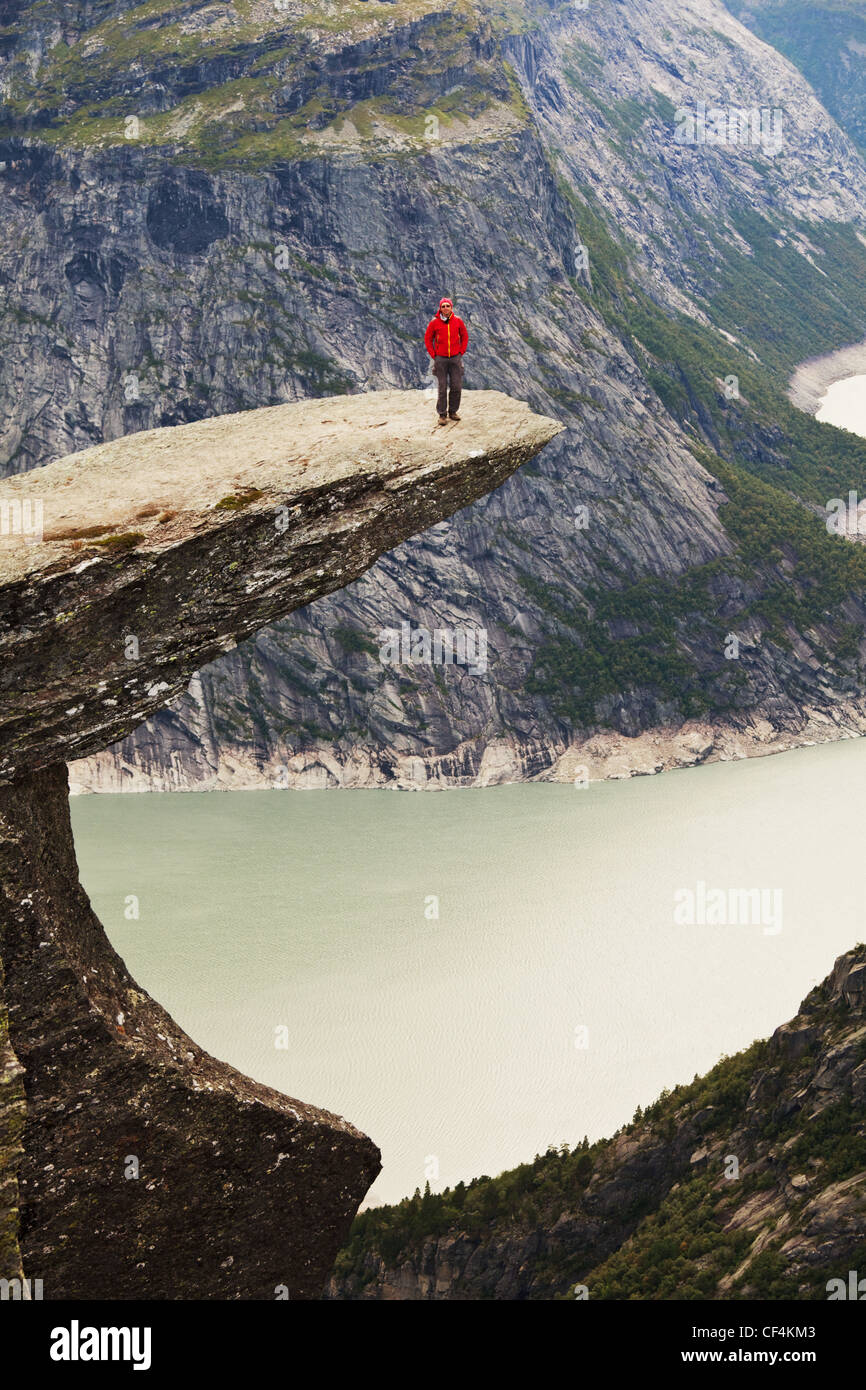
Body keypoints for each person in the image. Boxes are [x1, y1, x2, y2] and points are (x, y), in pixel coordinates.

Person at [424, 297, 468, 424]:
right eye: (443, 306)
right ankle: (442, 415)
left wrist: (461, 352)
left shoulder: (458, 321)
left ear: (451, 307)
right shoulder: (434, 323)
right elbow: (428, 339)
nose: (445, 308)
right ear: (440, 308)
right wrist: (434, 355)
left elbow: (465, 336)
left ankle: (453, 412)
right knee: (442, 387)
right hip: (441, 359)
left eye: (447, 306)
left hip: (455, 358)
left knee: (456, 386)